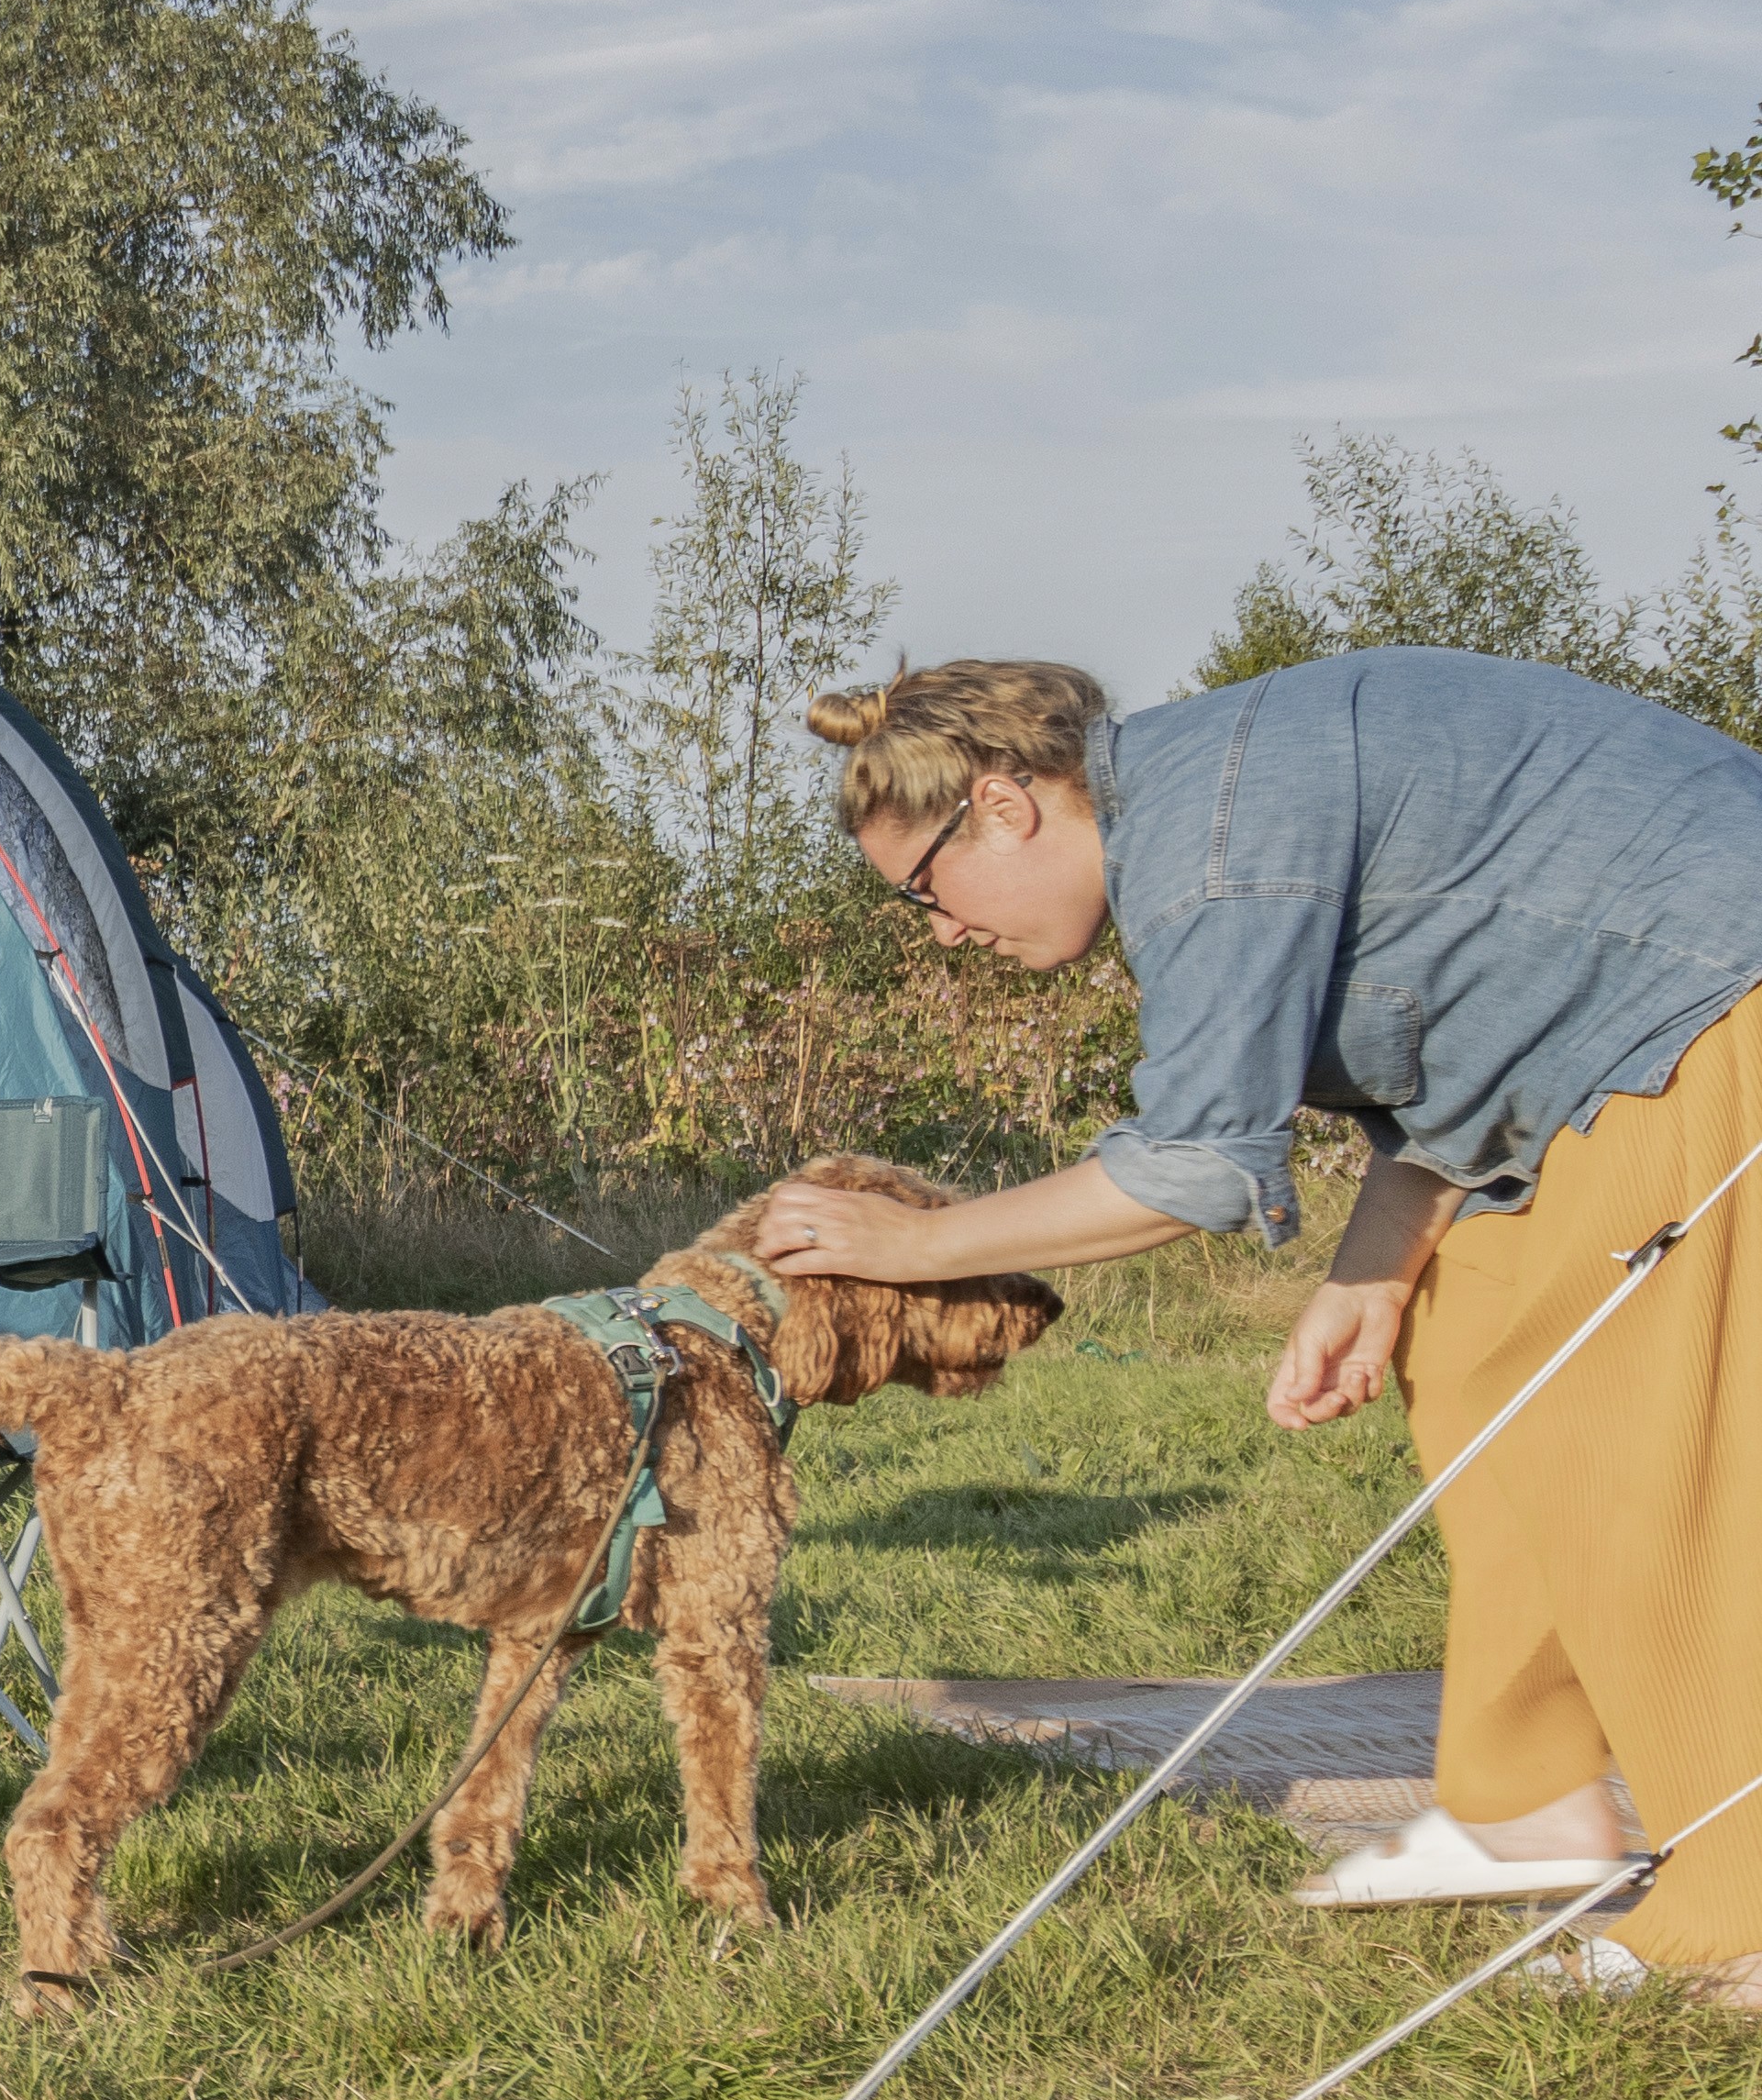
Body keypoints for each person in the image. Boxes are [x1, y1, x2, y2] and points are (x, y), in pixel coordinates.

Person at [754, 649, 1762, 1989]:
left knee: (1650, 1456)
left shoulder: (1209, 837)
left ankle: (1740, 1908)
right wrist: (1372, 1276)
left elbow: (1195, 1167)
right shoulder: (1209, 800)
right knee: (1467, 1366)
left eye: (922, 891)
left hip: (1708, 1007)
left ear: (1002, 806)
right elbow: (1460, 1034)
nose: (938, 930)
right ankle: (1527, 1803)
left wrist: (917, 1243)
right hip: (1605, 1049)